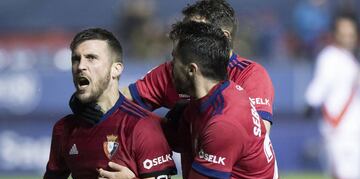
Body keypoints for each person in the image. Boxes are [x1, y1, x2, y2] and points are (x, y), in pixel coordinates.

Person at [98, 21, 285, 179]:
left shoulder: (224, 122)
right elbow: (174, 138)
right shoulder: (210, 98)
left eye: (174, 60)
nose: (169, 69)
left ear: (191, 69)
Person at [71, 0, 275, 134]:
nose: (184, 38)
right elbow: (118, 102)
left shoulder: (250, 75)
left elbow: (258, 135)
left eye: (195, 31)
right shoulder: (172, 71)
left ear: (224, 37)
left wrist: (189, 116)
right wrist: (89, 101)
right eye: (185, 30)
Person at [31, 28, 177, 179]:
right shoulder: (64, 129)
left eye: (91, 58)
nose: (80, 66)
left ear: (116, 69)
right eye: (75, 59)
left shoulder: (144, 127)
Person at [305, 12, 360, 179]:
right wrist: (310, 102)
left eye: (351, 33)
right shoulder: (330, 57)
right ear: (334, 34)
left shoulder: (348, 59)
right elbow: (320, 85)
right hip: (339, 130)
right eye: (343, 32)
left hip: (351, 130)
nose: (348, 37)